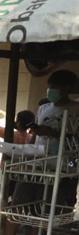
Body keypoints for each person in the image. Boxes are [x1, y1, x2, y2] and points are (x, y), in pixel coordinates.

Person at [32, 69, 79, 208]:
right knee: (34, 202)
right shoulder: (43, 108)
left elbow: (75, 139)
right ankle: (35, 229)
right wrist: (29, 151)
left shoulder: (76, 109)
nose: (50, 90)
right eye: (49, 87)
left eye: (54, 88)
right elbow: (34, 136)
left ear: (67, 88)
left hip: (66, 167)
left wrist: (55, 134)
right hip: (41, 163)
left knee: (58, 205)